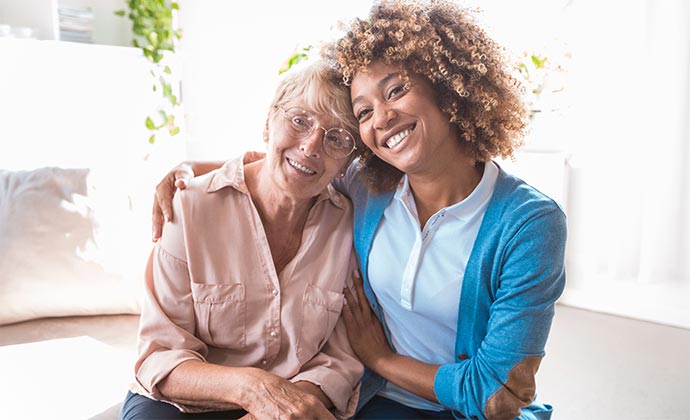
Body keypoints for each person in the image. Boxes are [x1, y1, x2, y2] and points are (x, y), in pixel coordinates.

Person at [152, 1, 567, 419]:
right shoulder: (369, 187)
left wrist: (380, 358)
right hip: (372, 400)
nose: (382, 118)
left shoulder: (529, 224)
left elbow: (497, 394)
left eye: (396, 90)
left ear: (447, 87)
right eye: (364, 111)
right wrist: (190, 170)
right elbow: (291, 161)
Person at [119, 59, 364, 420]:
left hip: (291, 400)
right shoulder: (187, 208)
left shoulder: (347, 225)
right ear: (268, 124)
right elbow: (160, 354)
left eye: (337, 138)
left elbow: (339, 358)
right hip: (184, 399)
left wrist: (284, 405)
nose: (312, 146)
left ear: (348, 161)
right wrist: (254, 390)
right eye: (299, 120)